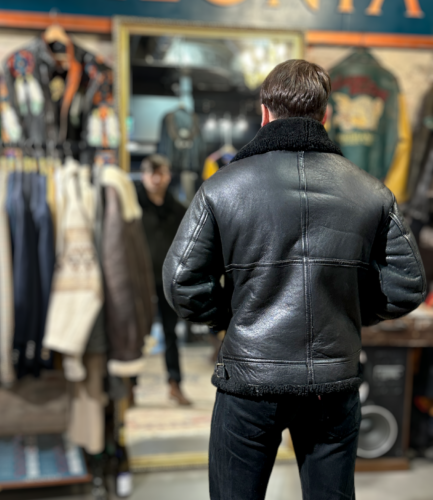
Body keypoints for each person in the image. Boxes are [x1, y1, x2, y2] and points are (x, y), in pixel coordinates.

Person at [163, 60, 426, 499]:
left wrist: (231, 315)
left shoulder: (222, 187)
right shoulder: (372, 192)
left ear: (264, 112)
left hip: (249, 380)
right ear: (326, 115)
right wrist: (344, 312)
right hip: (332, 382)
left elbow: (180, 282)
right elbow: (408, 285)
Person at [135, 154, 192, 406]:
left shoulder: (179, 209)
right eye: (151, 173)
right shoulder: (133, 207)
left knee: (171, 334)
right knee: (137, 334)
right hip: (139, 280)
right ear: (144, 176)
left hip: (168, 281)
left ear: (168, 176)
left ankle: (175, 384)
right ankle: (130, 384)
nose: (156, 179)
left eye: (160, 173)